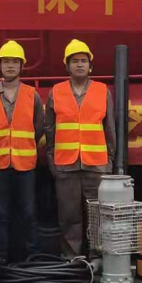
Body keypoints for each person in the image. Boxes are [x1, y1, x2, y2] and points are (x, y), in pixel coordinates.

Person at [44, 39, 115, 259]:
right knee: (69, 217)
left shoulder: (103, 91)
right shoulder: (56, 92)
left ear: (90, 65)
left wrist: (109, 161)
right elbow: (50, 130)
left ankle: (97, 257)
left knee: (97, 216)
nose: (80, 64)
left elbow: (110, 129)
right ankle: (71, 258)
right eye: (75, 61)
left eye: (84, 60)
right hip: (66, 165)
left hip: (96, 165)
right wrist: (52, 160)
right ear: (67, 66)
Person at [0, 41, 44, 272]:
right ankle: (2, 257)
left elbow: (39, 128)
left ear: (21, 66)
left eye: (14, 62)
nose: (10, 66)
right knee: (1, 214)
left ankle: (32, 257)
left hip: (25, 164)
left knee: (28, 213)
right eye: (6, 61)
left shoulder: (32, 95)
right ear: (0, 64)